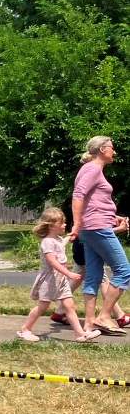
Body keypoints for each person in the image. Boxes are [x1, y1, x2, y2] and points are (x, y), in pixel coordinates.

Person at [68, 136, 130, 335]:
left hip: (94, 226)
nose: (114, 151)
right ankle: (104, 316)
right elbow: (78, 195)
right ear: (103, 149)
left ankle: (89, 323)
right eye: (112, 148)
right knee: (124, 270)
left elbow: (93, 203)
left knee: (93, 276)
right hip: (96, 228)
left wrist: (114, 217)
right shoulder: (93, 169)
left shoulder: (89, 169)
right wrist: (76, 224)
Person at [17, 208, 100, 343]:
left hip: (60, 280)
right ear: (51, 225)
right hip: (50, 279)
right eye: (62, 223)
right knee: (42, 306)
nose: (64, 225)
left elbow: (61, 244)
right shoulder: (47, 242)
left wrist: (72, 235)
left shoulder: (57, 239)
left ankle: (80, 334)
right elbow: (52, 261)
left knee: (69, 306)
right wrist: (69, 274)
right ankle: (25, 329)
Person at [51, 219, 130, 327]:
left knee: (77, 279)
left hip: (82, 248)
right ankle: (120, 316)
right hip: (86, 248)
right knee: (103, 281)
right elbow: (97, 233)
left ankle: (59, 311)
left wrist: (115, 217)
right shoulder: (88, 212)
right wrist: (120, 228)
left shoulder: (88, 210)